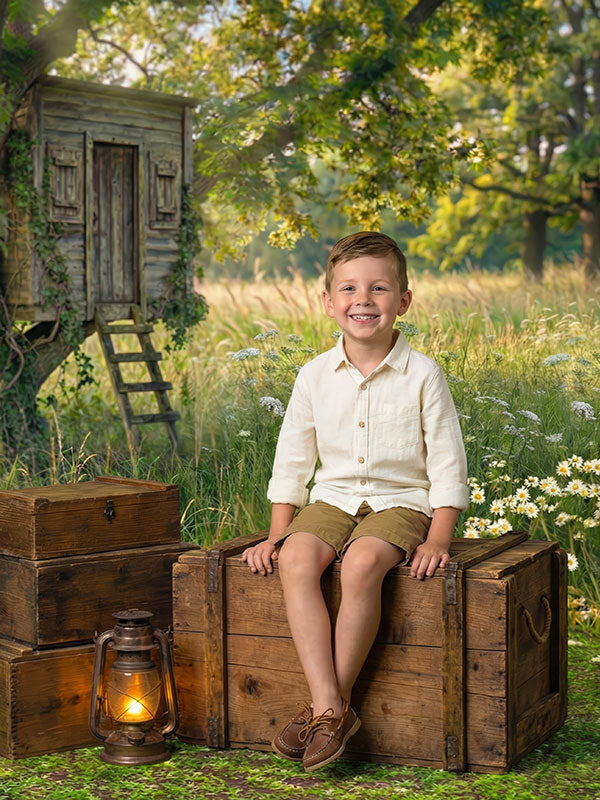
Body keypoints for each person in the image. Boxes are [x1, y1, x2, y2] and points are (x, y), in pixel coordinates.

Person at [242, 231, 469, 772]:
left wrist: (440, 536)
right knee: (296, 559)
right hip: (335, 498)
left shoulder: (424, 375)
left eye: (379, 288)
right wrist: (278, 533)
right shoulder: (314, 375)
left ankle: (325, 709)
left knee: (363, 563)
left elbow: (447, 463)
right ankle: (332, 707)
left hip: (402, 501)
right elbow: (292, 461)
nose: (362, 300)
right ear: (328, 302)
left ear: (403, 301)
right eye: (348, 288)